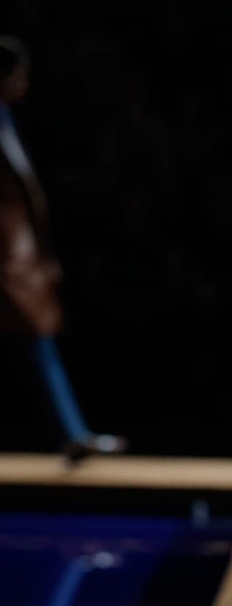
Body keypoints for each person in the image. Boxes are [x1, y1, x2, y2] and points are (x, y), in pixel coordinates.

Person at [0, 35, 126, 462]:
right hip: (9, 254)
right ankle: (72, 433)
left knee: (38, 340)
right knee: (36, 338)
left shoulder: (8, 119)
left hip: (17, 252)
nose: (24, 82)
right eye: (18, 74)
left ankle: (73, 432)